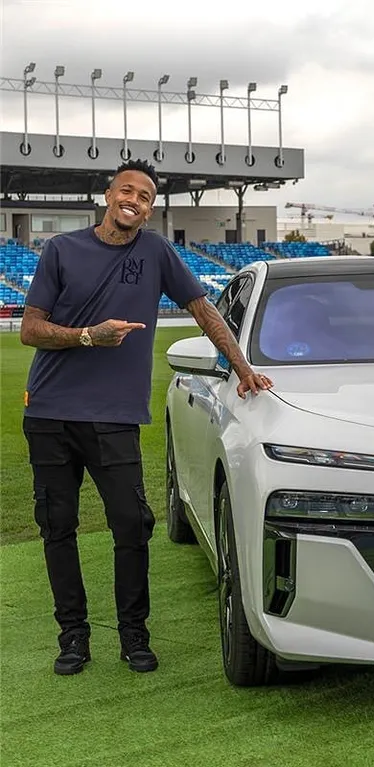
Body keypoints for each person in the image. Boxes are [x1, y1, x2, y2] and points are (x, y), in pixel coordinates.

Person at [20, 158, 273, 676]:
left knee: (132, 526)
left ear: (150, 209)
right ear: (108, 195)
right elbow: (30, 329)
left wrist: (242, 367)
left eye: (146, 196)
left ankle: (134, 635)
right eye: (126, 190)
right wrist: (90, 335)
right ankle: (73, 637)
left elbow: (204, 310)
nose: (134, 199)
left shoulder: (157, 251)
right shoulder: (61, 249)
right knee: (57, 526)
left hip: (114, 418)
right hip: (50, 412)